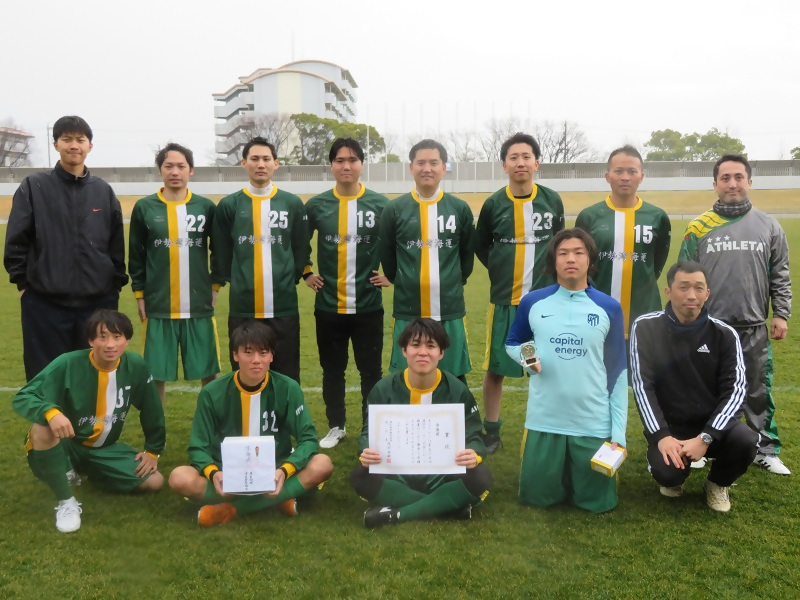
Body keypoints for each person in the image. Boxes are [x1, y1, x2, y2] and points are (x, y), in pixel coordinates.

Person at [679, 154, 792, 475]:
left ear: (750, 182)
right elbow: (684, 276)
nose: (732, 184)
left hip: (754, 326)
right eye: (725, 178)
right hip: (708, 328)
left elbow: (780, 274)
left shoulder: (769, 225)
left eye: (738, 177)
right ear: (714, 184)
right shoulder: (698, 227)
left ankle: (764, 448)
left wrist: (780, 314)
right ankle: (698, 446)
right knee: (702, 389)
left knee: (757, 390)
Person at [506, 228, 627, 513]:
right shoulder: (533, 302)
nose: (570, 259)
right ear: (553, 261)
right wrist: (528, 357)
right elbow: (514, 342)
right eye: (563, 253)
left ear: (590, 260)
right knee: (536, 499)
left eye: (578, 252)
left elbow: (618, 372)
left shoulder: (609, 307)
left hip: (592, 422)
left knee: (597, 503)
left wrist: (618, 435)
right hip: (544, 420)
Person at [12, 310, 165, 533]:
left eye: (117, 337)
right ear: (91, 341)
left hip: (103, 448)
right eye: (102, 337)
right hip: (68, 442)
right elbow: (24, 396)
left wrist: (153, 450)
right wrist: (51, 412)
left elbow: (152, 408)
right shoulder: (67, 363)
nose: (110, 344)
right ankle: (66, 502)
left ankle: (85, 471)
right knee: (42, 429)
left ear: (127, 340)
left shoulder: (136, 366)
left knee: (155, 482)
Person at [168, 321, 333, 526]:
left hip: (275, 470)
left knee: (322, 464)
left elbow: (307, 438)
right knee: (179, 477)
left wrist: (284, 471)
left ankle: (232, 509)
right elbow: (197, 446)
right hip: (227, 473)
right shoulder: (212, 392)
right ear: (235, 355)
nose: (256, 360)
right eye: (248, 353)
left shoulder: (288, 388)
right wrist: (214, 473)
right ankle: (280, 500)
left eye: (263, 353)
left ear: (272, 356)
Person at [4, 115, 128, 381]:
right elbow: (16, 240)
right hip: (44, 304)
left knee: (92, 378)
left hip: (96, 304)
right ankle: (47, 423)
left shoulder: (103, 191)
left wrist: (114, 286)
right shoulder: (34, 186)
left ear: (89, 146)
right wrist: (24, 283)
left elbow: (116, 245)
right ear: (56, 144)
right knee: (47, 379)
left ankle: (87, 425)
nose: (74, 145)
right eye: (67, 139)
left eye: (80, 140)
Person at [630, 261, 757, 512]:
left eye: (699, 288)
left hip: (710, 427)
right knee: (668, 479)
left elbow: (736, 391)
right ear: (668, 292)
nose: (691, 295)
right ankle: (666, 465)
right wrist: (661, 436)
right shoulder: (645, 326)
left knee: (746, 440)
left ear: (707, 293)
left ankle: (717, 483)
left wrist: (707, 436)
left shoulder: (724, 334)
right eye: (683, 287)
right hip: (671, 429)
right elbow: (643, 386)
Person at [351, 318, 491, 528]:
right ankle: (446, 505)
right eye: (415, 345)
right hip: (397, 472)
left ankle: (398, 513)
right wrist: (366, 450)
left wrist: (474, 453)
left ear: (441, 353)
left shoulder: (457, 390)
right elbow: (368, 432)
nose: (423, 352)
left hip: (442, 475)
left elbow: (473, 434)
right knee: (360, 476)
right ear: (404, 350)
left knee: (480, 476)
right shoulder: (383, 389)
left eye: (431, 346)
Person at [475, 132, 565, 453]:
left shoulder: (551, 200)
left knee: (548, 368)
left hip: (545, 305)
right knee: (496, 369)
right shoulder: (493, 204)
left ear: (537, 163)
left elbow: (560, 245)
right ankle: (493, 432)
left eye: (526, 156)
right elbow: (481, 246)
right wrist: (501, 271)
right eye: (513, 157)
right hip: (505, 302)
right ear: (504, 165)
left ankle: (551, 429)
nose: (520, 163)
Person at [304, 138, 390, 448]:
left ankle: (370, 428)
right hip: (328, 306)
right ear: (331, 165)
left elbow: (398, 242)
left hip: (368, 306)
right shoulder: (317, 205)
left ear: (361, 165)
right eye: (340, 160)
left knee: (371, 372)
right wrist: (307, 272)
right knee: (333, 370)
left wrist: (390, 274)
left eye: (352, 160)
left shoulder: (381, 204)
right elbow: (297, 243)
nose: (346, 166)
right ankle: (336, 426)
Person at [128, 143, 222, 403]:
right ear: (160, 170)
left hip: (198, 305)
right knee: (155, 374)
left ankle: (211, 429)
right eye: (168, 166)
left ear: (191, 171)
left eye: (181, 166)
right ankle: (156, 435)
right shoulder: (144, 208)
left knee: (209, 372)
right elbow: (136, 255)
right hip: (159, 306)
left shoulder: (205, 207)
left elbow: (220, 251)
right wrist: (139, 294)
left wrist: (214, 286)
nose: (175, 171)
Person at [213, 137, 310, 383]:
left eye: (266, 159)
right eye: (254, 159)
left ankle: (285, 422)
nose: (261, 164)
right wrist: (218, 283)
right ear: (243, 163)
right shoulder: (229, 205)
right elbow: (221, 252)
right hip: (243, 308)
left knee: (286, 375)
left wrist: (292, 277)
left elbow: (301, 247)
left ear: (276, 164)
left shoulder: (291, 203)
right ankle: (248, 420)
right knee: (247, 375)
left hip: (283, 306)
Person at [379, 139, 475, 381]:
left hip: (449, 307)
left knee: (453, 376)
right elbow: (388, 256)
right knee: (407, 376)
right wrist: (398, 278)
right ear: (411, 167)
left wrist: (453, 280)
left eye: (434, 162)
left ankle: (457, 419)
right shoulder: (394, 209)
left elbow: (466, 256)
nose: (427, 168)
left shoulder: (459, 208)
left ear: (444, 168)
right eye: (420, 163)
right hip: (408, 308)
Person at [575, 145, 671, 341]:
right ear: (607, 176)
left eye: (632, 171)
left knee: (640, 371)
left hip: (644, 312)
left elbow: (657, 262)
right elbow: (581, 265)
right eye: (618, 171)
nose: (625, 177)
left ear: (641, 177)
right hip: (597, 312)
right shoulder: (589, 216)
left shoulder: (657, 216)